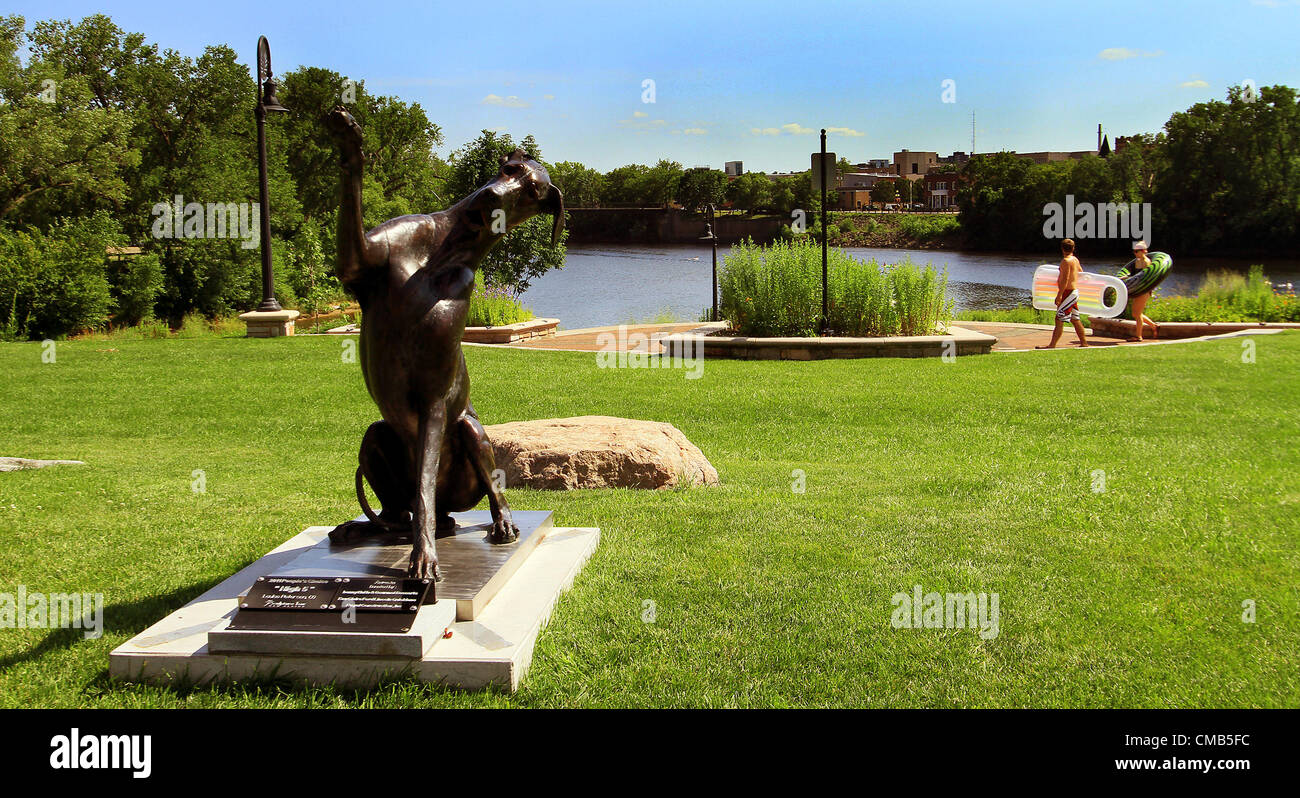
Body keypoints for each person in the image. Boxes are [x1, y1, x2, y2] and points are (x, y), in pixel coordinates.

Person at [1037, 238, 1089, 349]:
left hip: (1068, 293)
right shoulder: (1075, 260)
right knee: (1075, 319)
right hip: (1074, 292)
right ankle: (1084, 343)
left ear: (1062, 248)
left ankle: (1052, 345)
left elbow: (1065, 279)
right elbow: (1080, 272)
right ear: (1073, 248)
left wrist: (1059, 295)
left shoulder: (1066, 261)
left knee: (1059, 319)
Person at [1126, 240, 1159, 342]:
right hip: (1138, 289)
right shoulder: (1137, 261)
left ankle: (1139, 336)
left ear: (1143, 251)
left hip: (1144, 290)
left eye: (1137, 251)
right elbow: (1134, 276)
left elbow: (1146, 278)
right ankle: (1154, 326)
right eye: (1134, 251)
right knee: (1135, 313)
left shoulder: (1146, 262)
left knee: (1137, 313)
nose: (1135, 253)